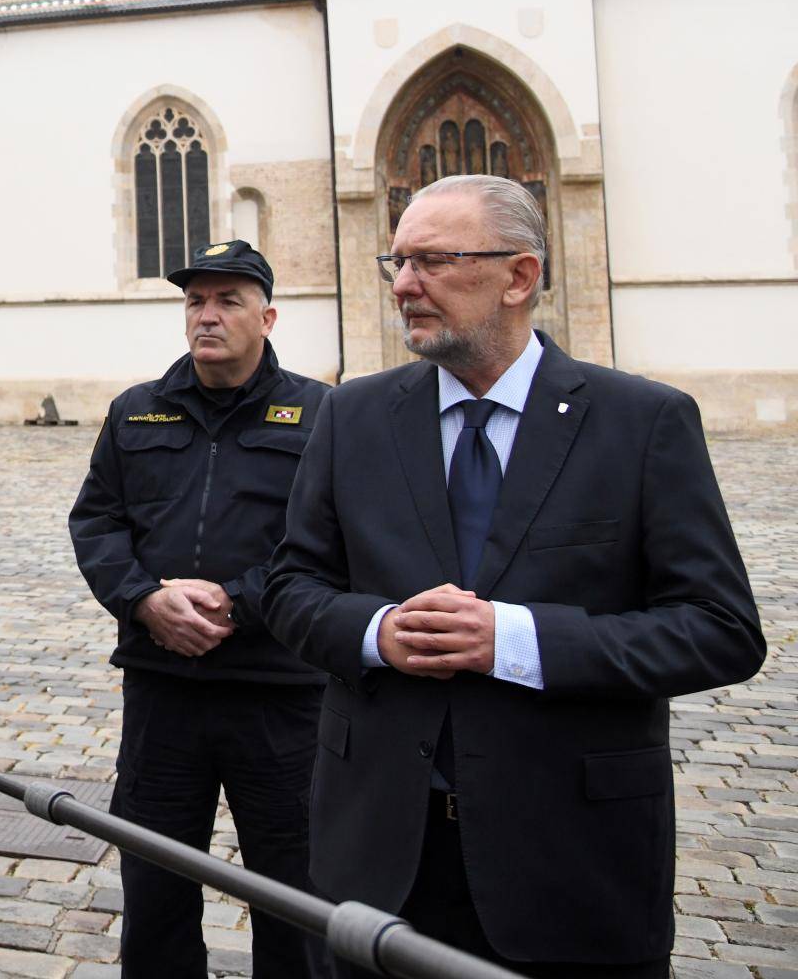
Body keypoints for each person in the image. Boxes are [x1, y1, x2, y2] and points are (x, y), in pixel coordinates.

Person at [265, 175, 764, 978]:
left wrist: (515, 640)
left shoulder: (641, 423)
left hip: (570, 865)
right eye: (396, 261)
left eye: (434, 260)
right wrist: (377, 632)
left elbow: (721, 630)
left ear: (519, 277)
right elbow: (290, 589)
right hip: (379, 856)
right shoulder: (351, 417)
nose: (404, 285)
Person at [69, 241, 330, 978]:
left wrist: (238, 601)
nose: (207, 316)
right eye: (195, 301)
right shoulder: (136, 411)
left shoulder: (320, 413)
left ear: (267, 317)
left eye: (228, 301)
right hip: (163, 691)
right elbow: (97, 523)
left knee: (295, 892)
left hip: (279, 697)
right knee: (154, 888)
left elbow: (323, 539)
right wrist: (145, 599)